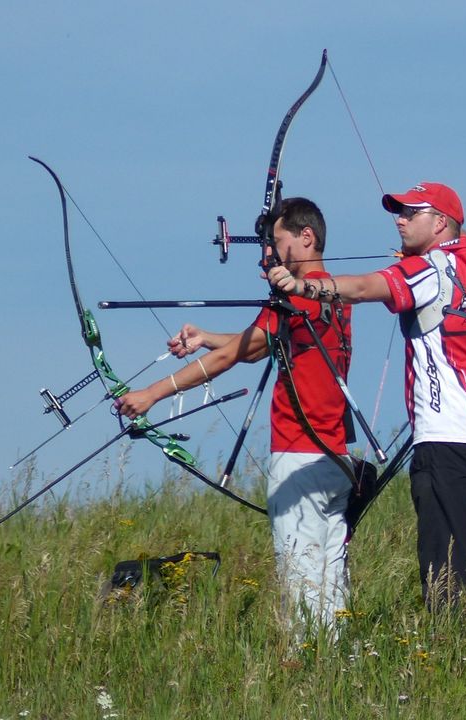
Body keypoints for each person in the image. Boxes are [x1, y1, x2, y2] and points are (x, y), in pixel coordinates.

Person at [267, 181, 466, 609]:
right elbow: (455, 256)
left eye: (410, 213)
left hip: (445, 439)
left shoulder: (426, 271)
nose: (399, 220)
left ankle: (451, 658)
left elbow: (362, 289)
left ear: (439, 222)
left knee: (446, 574)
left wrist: (301, 286)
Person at [116, 197, 356, 631]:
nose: (273, 256)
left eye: (278, 243)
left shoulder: (296, 300)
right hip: (333, 458)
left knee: (301, 574)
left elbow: (231, 357)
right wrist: (207, 337)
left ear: (306, 237)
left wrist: (152, 393)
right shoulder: (334, 294)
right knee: (330, 574)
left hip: (299, 455)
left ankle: (305, 664)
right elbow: (256, 344)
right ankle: (334, 658)